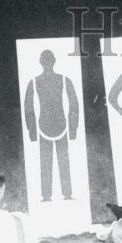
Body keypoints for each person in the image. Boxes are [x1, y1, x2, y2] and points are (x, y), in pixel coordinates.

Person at [24, 49, 79, 202]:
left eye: (49, 61)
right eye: (45, 61)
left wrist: (73, 128)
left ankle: (67, 193)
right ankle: (46, 195)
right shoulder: (34, 82)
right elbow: (28, 107)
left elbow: (74, 104)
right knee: (45, 162)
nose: (47, 64)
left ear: (53, 62)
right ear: (41, 63)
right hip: (43, 125)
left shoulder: (64, 80)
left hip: (62, 125)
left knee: (63, 160)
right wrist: (32, 129)